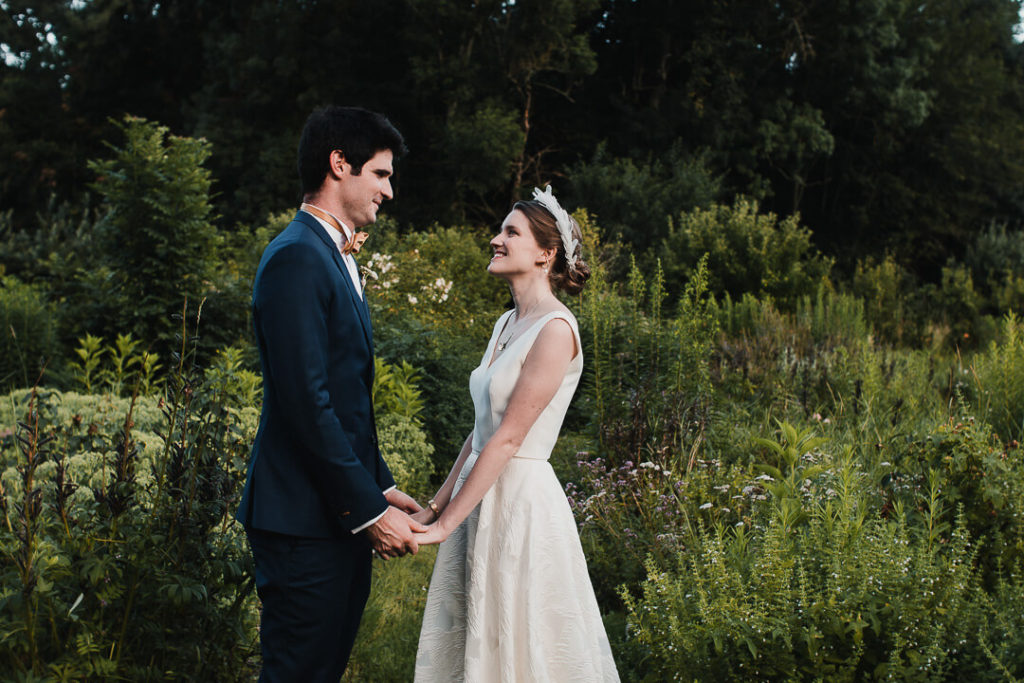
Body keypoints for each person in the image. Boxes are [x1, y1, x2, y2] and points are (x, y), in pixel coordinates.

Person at [236, 105, 426, 682]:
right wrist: (367, 510)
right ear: (339, 164)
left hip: (331, 517)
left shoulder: (333, 255)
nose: (389, 191)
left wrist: (381, 486)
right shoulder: (297, 257)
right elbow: (306, 405)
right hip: (301, 522)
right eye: (381, 174)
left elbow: (346, 401)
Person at [412, 186, 620, 681]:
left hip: (521, 504)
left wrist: (441, 529)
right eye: (500, 230)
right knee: (473, 639)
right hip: (478, 497)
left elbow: (509, 439)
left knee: (521, 639)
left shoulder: (555, 329)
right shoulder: (507, 322)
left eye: (510, 232)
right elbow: (480, 431)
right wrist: (437, 507)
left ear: (545, 254)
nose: (495, 239)